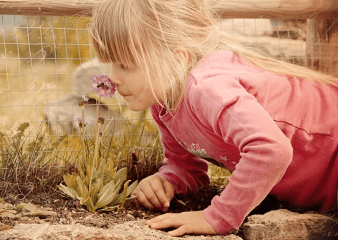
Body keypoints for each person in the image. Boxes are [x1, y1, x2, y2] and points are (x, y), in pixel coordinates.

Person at [90, 0, 338, 236]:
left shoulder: (207, 89)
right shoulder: (163, 102)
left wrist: (217, 216)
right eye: (110, 64)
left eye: (126, 65)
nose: (114, 78)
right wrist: (166, 180)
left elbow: (271, 150)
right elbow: (187, 167)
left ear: (178, 58)